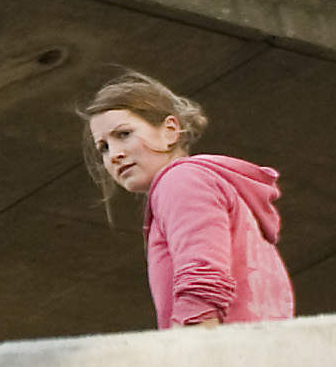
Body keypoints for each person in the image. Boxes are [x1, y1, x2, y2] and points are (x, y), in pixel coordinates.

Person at [83, 72, 295, 329]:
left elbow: (202, 283)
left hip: (221, 359)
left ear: (170, 131)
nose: (114, 155)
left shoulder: (181, 180)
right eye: (103, 147)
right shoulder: (204, 182)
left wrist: (189, 357)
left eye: (124, 134)